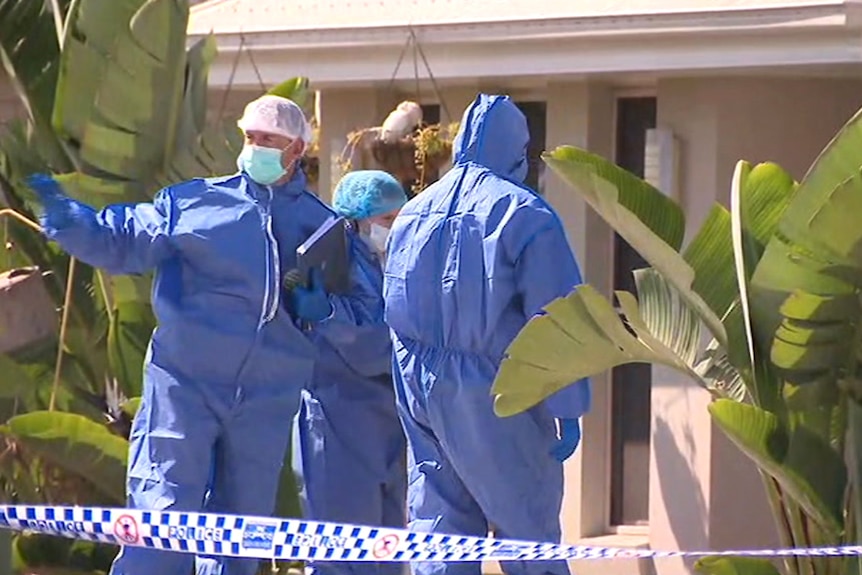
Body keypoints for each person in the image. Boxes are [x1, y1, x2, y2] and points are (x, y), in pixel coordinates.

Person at [26, 95, 381, 575]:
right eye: (250, 137)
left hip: (267, 399)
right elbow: (126, 239)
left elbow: (370, 316)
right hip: (184, 385)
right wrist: (76, 224)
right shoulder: (194, 203)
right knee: (161, 518)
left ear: (297, 150)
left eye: (269, 141)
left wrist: (327, 311)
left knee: (241, 534)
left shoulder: (323, 229)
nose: (255, 147)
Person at [382, 93, 591, 575]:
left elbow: (392, 304)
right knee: (528, 533)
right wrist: (568, 405)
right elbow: (557, 318)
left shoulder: (415, 210)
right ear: (516, 150)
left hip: (419, 386)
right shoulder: (526, 215)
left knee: (441, 530)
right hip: (498, 392)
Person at [292, 169, 408, 575]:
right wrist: (327, 315)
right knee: (340, 555)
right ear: (358, 219)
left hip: (383, 425)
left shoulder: (385, 265)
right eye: (387, 220)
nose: (393, 229)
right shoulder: (338, 270)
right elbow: (373, 346)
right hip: (338, 421)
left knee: (386, 551)